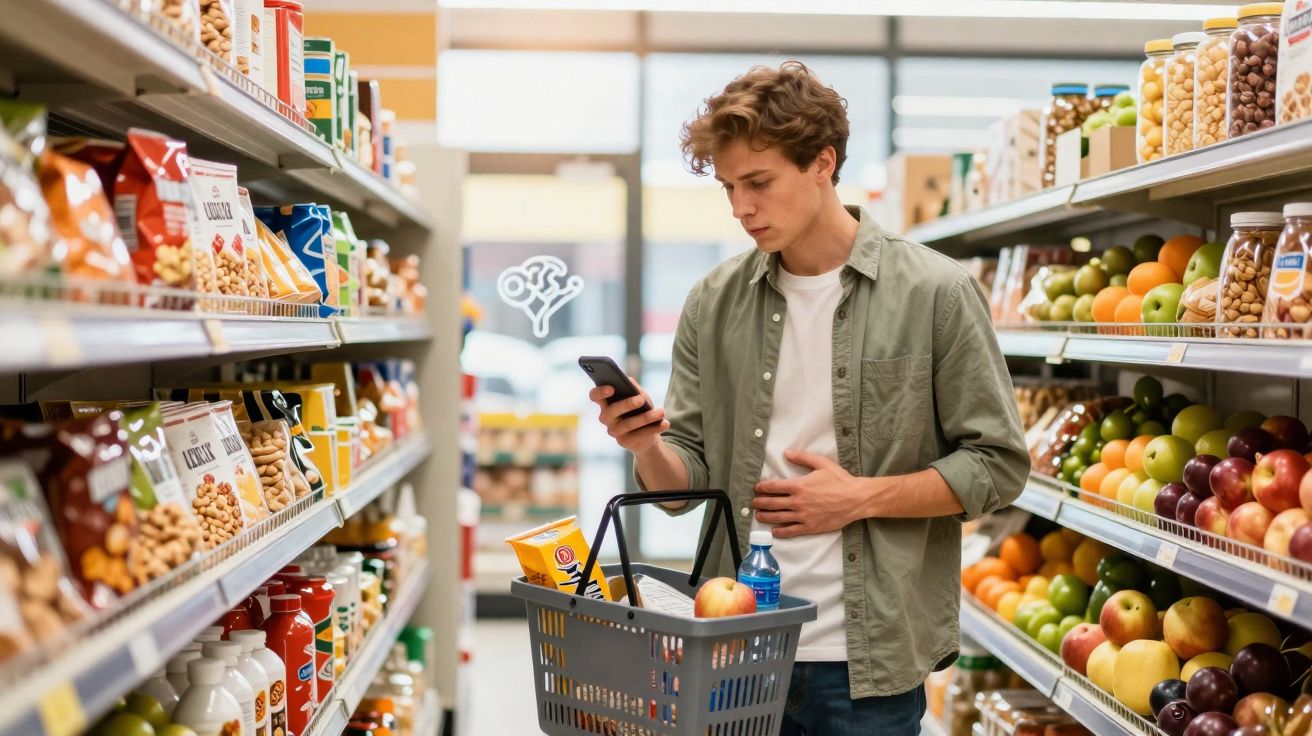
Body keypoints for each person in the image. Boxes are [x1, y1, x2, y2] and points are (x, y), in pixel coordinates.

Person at [589, 61, 1028, 735]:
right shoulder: (714, 300)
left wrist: (859, 498)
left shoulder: (935, 292)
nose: (741, 208)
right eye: (731, 188)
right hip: (733, 645)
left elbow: (998, 465)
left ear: (823, 162)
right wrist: (646, 443)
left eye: (758, 183)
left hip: (865, 661)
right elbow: (682, 488)